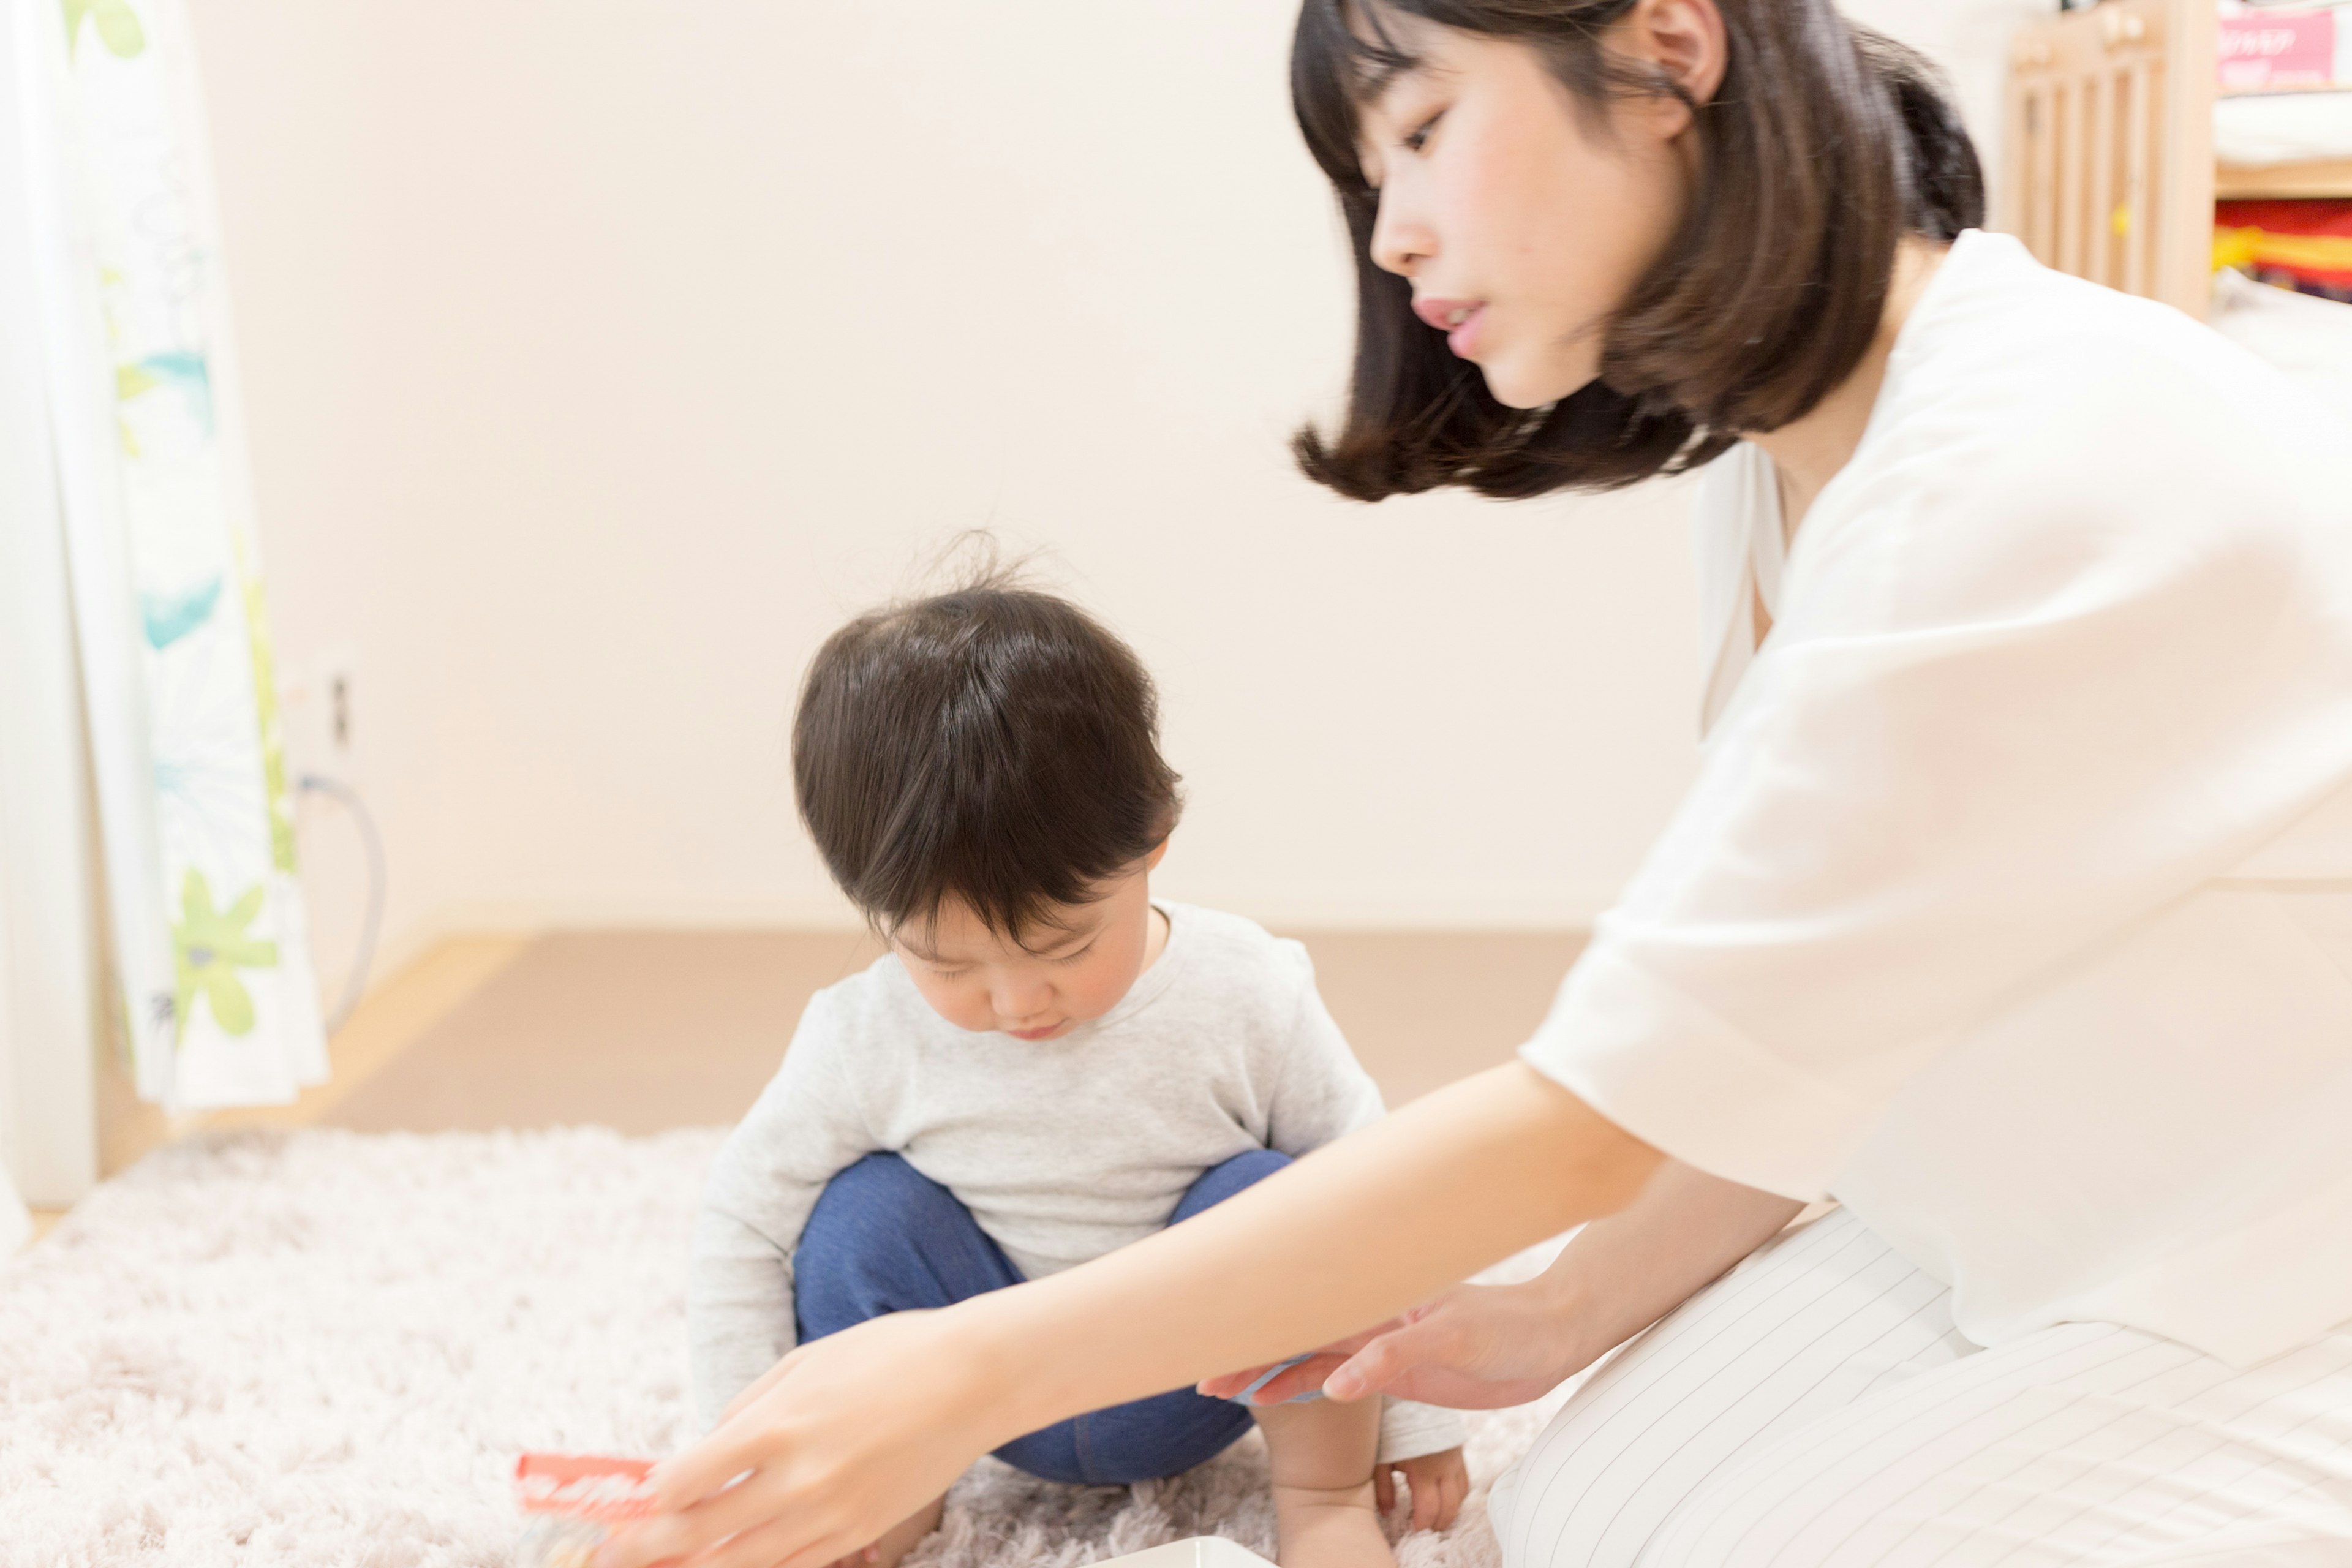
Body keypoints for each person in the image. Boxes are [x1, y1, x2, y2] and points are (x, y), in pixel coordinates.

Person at [601, 1, 2352, 1565]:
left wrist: (961, 1370)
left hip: (2270, 1286)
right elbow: (1786, 1042)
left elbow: (1594, 1112)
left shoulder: (2032, 469)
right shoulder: (1778, 483)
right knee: (1559, 1524)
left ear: (1670, 48)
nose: (1397, 234)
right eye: (1369, 177)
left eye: (1425, 130)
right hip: (2011, 1223)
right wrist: (1559, 1316)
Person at [687, 578, 1468, 1568]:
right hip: (969, 1398)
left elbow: (1390, 1190)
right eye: (947, 963)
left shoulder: (1246, 990)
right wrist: (745, 1462)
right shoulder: (862, 1034)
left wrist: (1417, 1424)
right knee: (859, 1218)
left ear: (1153, 845)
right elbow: (742, 1227)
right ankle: (889, 1500)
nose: (1018, 1005)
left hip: (1197, 1376)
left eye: (1061, 947)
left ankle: (1325, 1498)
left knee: (1281, 1198)